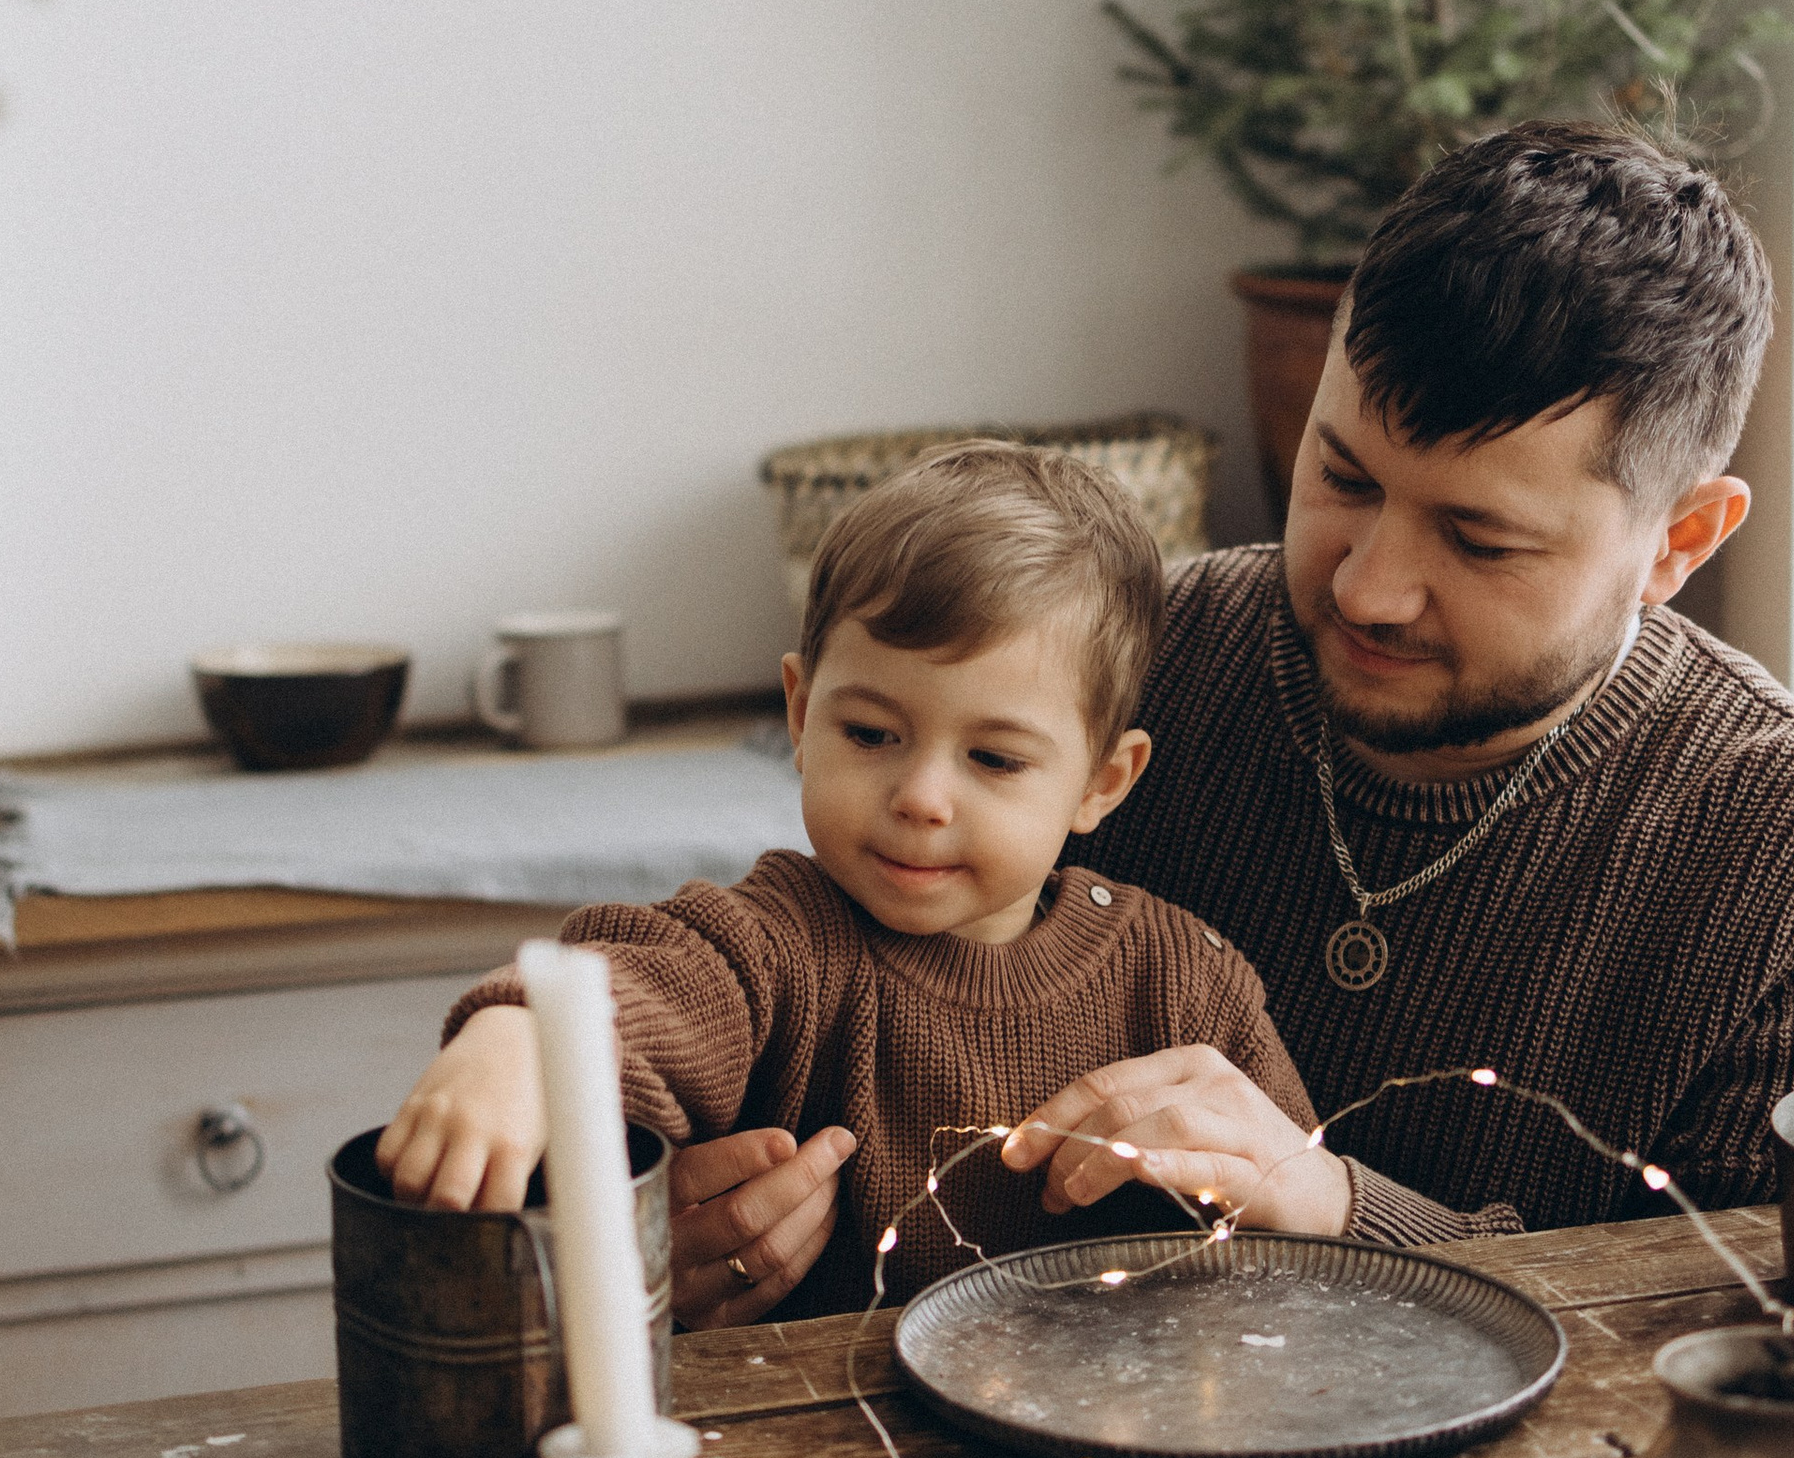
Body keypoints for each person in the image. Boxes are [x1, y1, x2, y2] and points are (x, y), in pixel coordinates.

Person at [673, 124, 1794, 1311]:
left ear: (1678, 541)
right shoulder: (1113, 667)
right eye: (1339, 475)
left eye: (1480, 537)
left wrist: (1341, 1210)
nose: (1365, 585)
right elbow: (797, 986)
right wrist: (671, 1237)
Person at [377, 445, 1318, 1315]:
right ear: (800, 711)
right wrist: (528, 1034)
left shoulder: (1188, 980)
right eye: (869, 735)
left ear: (1102, 782)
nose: (920, 797)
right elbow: (658, 978)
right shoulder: (781, 941)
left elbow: (1305, 1256)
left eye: (993, 758)